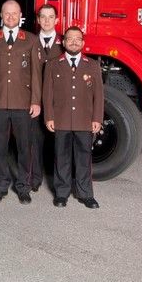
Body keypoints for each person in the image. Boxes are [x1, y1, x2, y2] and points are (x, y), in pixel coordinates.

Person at [0, 0, 42, 205]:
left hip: (23, 103)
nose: (10, 17)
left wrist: (35, 101)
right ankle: (0, 186)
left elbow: (35, 74)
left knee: (25, 147)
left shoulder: (31, 40)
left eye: (14, 14)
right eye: (6, 13)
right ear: (1, 15)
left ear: (20, 15)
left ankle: (24, 187)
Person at [43, 26, 103, 209]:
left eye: (78, 39)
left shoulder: (92, 65)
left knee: (84, 158)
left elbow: (98, 95)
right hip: (61, 119)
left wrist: (97, 119)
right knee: (61, 157)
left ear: (83, 43)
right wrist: (49, 117)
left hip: (84, 121)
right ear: (64, 42)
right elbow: (47, 94)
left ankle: (85, 194)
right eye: (70, 39)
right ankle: (61, 193)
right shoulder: (53, 64)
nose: (74, 42)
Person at [30, 3, 63, 192]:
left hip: (59, 103)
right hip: (34, 100)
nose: (47, 21)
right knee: (34, 141)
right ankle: (34, 179)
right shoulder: (29, 41)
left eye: (51, 17)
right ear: (38, 20)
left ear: (56, 20)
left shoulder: (65, 43)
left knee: (59, 144)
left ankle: (58, 182)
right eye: (43, 17)